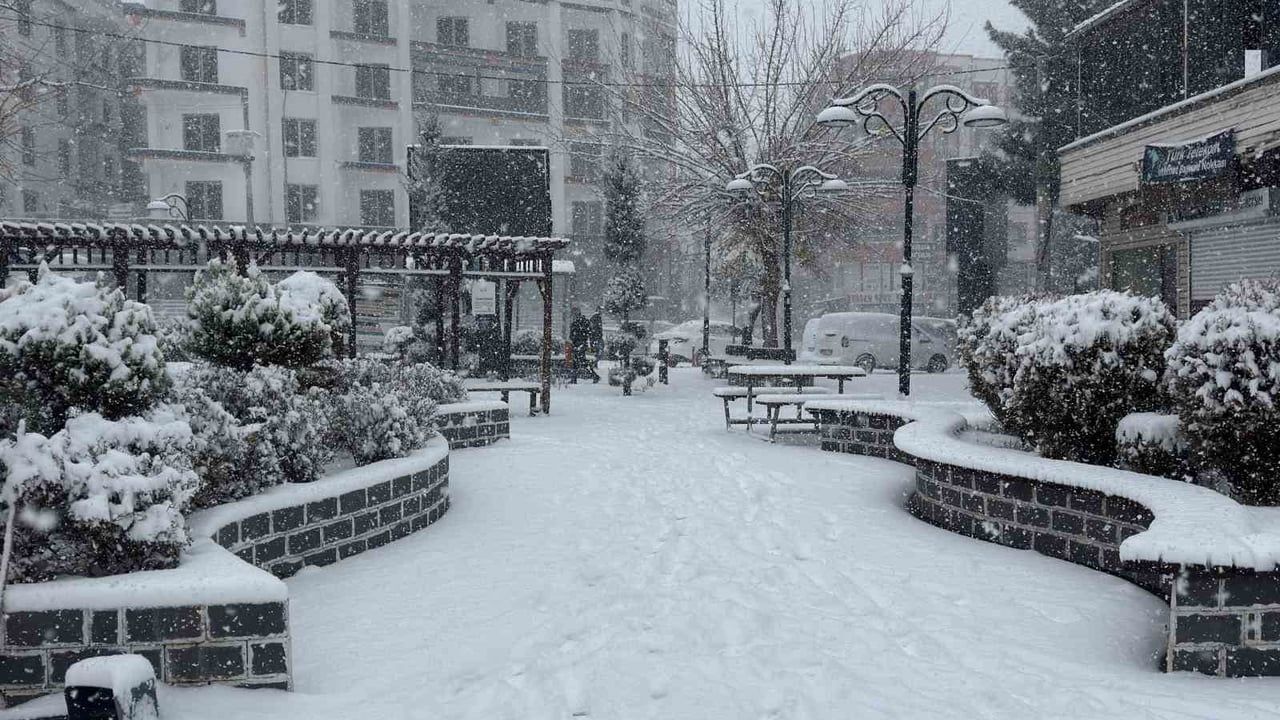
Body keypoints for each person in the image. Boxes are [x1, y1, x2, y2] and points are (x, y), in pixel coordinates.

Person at [569, 307, 593, 384]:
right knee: (580, 362)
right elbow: (589, 332)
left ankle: (574, 378)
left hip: (579, 344)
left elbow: (573, 334)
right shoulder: (584, 321)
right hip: (580, 344)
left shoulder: (578, 322)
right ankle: (574, 378)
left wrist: (577, 339)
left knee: (579, 362)